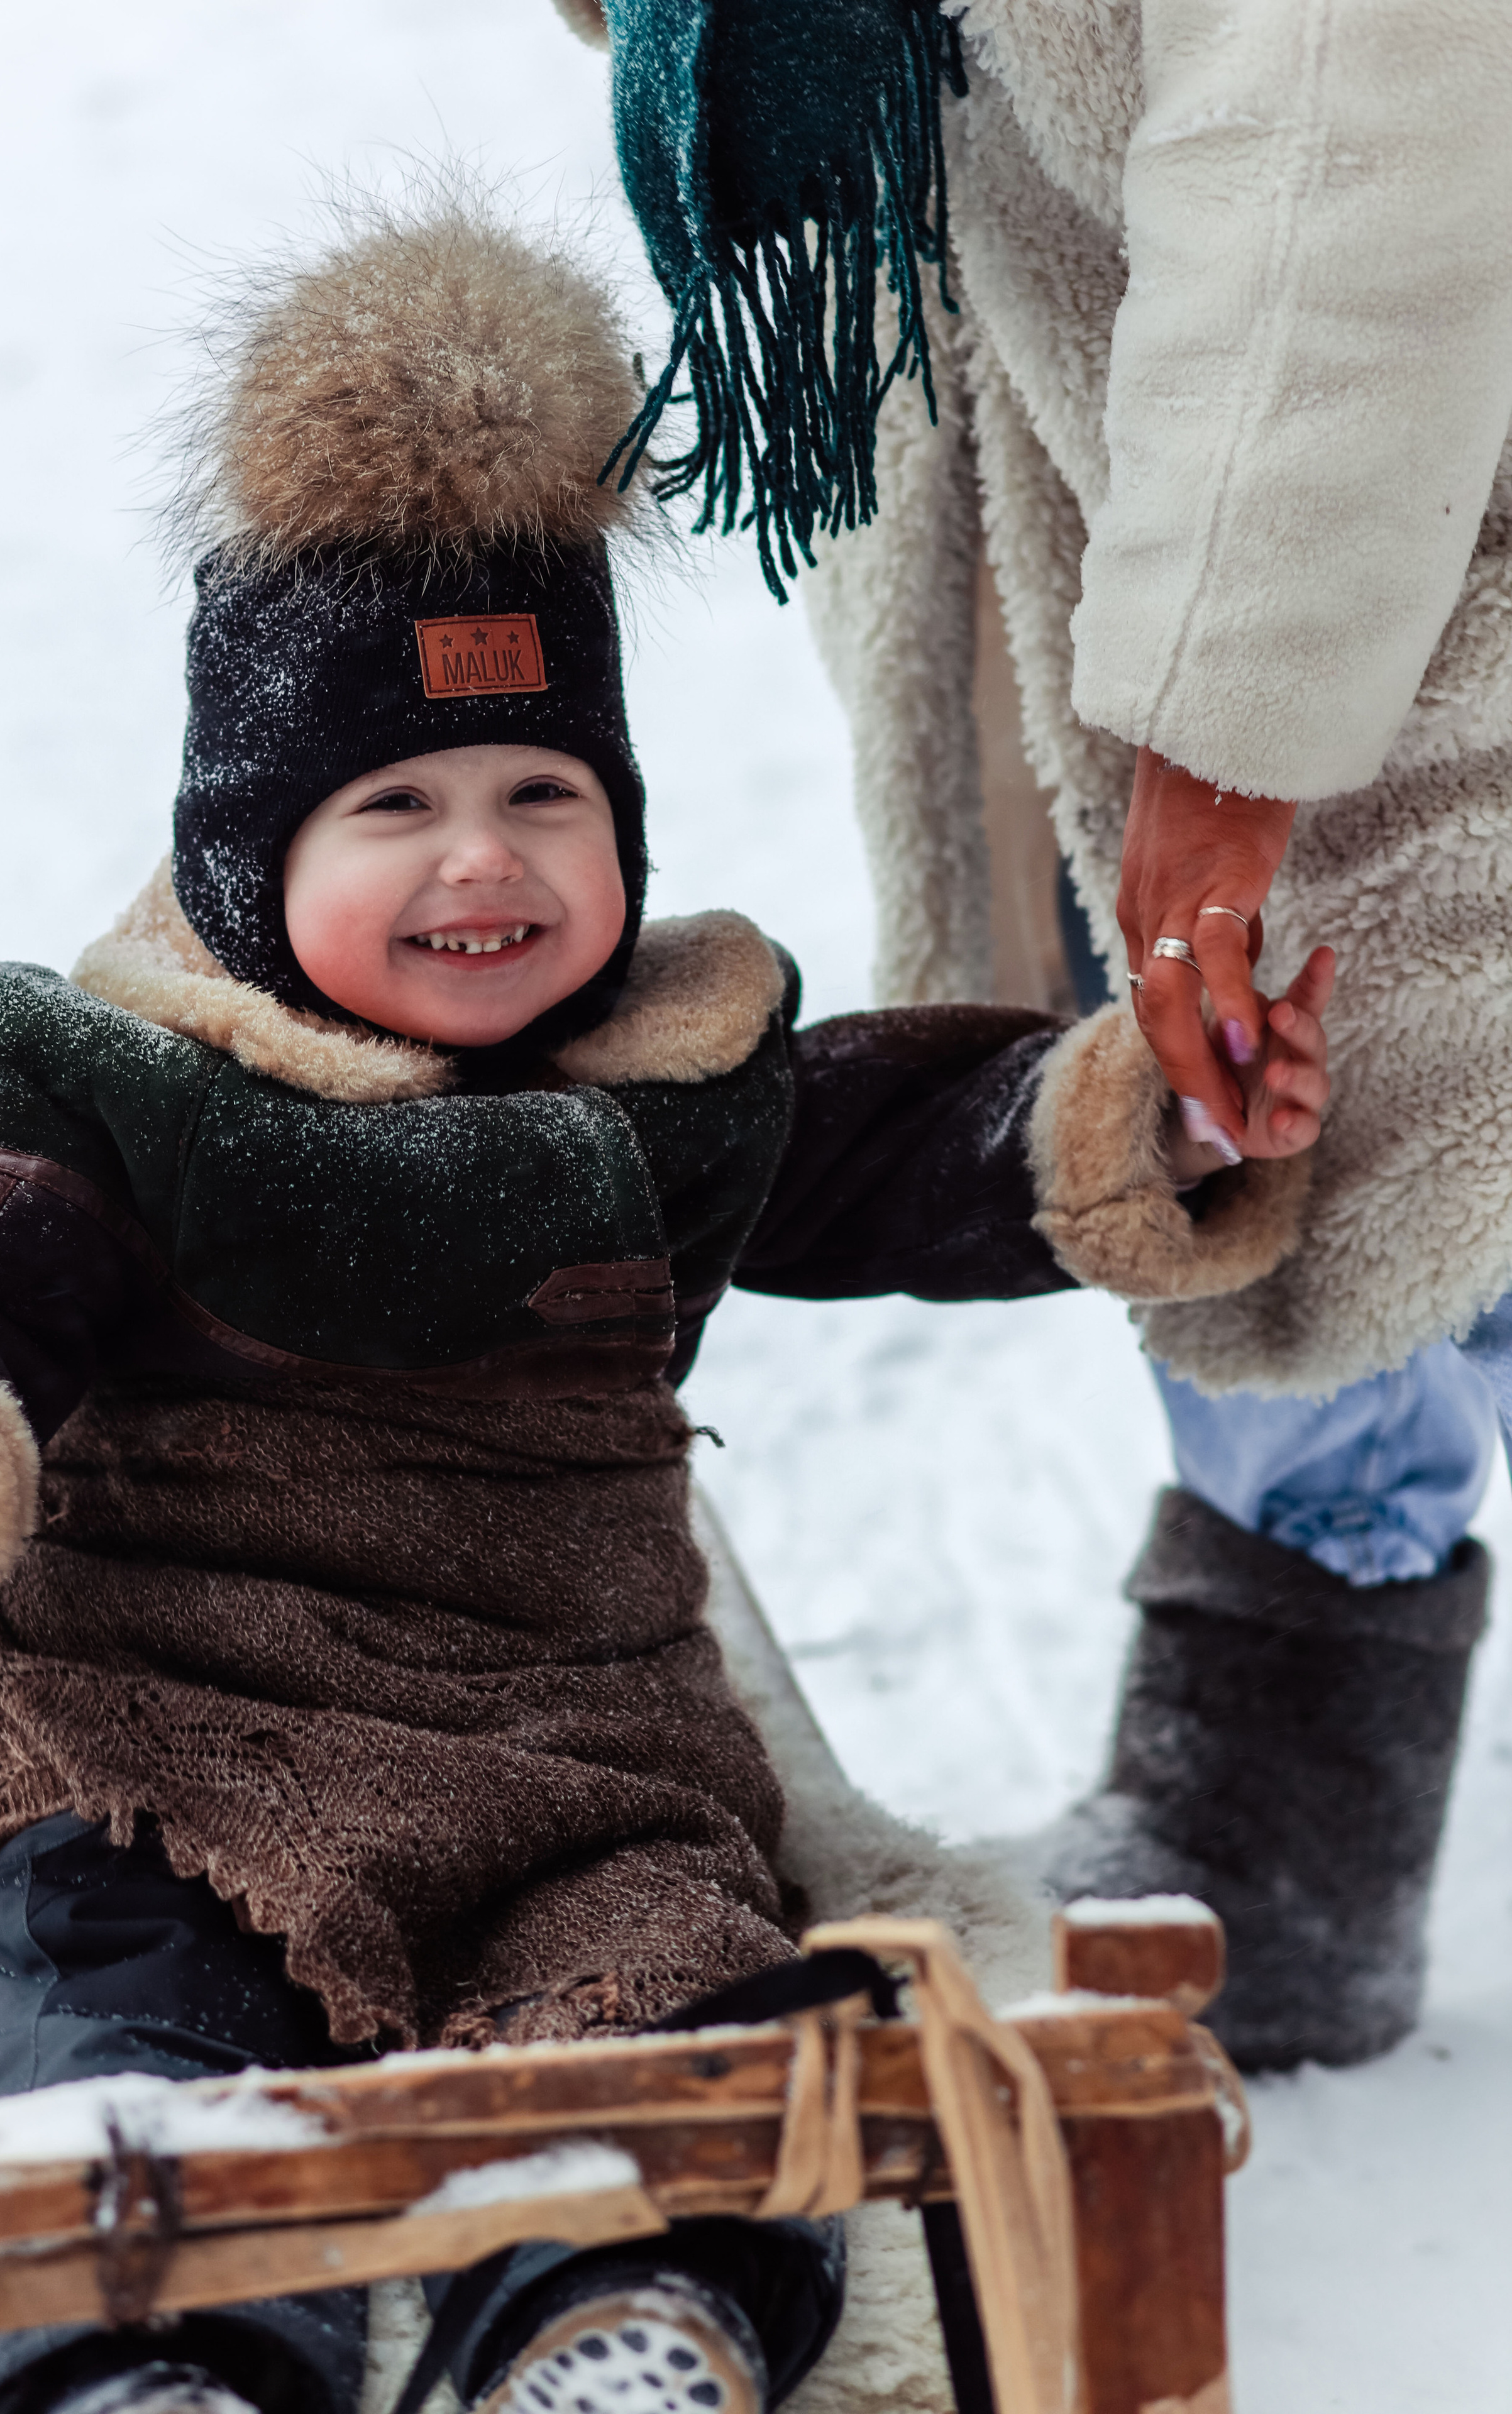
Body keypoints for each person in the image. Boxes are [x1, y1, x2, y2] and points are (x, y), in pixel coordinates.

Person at [0, 203, 1330, 2414]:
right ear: (241, 855)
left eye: (543, 798)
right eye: (396, 807)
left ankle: (610, 2317)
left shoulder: (671, 1076)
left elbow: (892, 1140)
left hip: (568, 1768)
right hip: (164, 1740)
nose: (484, 864)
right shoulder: (107, 1084)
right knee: (89, 1988)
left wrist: (1155, 1129)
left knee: (689, 1996)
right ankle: (149, 2359)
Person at [556, 0, 1512, 2071]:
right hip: (1074, 421)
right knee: (1233, 1122)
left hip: (1405, 437)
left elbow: (1358, 117)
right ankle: (1283, 1808)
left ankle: (1282, 1804)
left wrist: (1235, 710)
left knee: (1444, 1073)